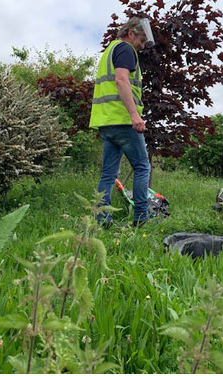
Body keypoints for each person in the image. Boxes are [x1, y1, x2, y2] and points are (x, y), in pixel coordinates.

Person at [89, 17, 155, 227]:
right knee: (142, 167)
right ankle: (141, 219)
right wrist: (135, 115)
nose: (143, 46)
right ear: (130, 34)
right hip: (123, 120)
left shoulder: (109, 51)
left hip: (106, 122)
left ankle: (102, 219)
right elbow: (121, 80)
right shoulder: (126, 49)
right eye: (142, 40)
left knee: (108, 173)